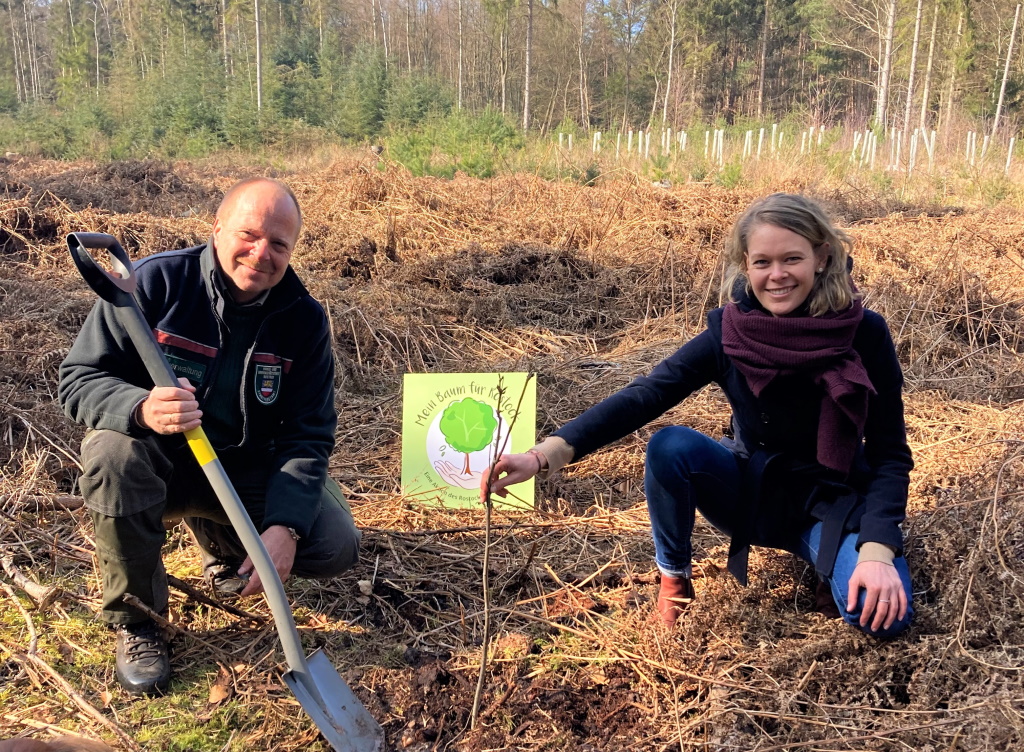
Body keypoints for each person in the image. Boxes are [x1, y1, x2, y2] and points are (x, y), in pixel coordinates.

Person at [483, 193, 913, 637]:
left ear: (821, 258)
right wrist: (544, 455)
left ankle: (827, 563)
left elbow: (890, 454)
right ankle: (673, 579)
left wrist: (876, 550)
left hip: (831, 505)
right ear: (745, 265)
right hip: (751, 496)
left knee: (884, 620)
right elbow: (647, 394)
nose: (777, 275)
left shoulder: (864, 333)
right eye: (762, 262)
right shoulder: (732, 332)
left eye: (792, 259)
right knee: (671, 446)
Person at [58, 178, 361, 696]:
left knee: (333, 544)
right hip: (160, 463)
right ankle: (138, 618)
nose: (262, 254)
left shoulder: (302, 320)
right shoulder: (151, 285)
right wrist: (140, 408)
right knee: (111, 454)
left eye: (279, 243)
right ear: (217, 228)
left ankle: (221, 546)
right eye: (249, 234)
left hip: (242, 469)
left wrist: (285, 527)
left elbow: (308, 436)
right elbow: (79, 378)